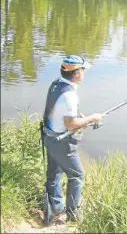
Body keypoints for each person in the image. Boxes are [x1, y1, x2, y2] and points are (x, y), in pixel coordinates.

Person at [41, 55, 103, 224]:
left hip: (49, 136)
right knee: (77, 175)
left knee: (54, 172)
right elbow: (70, 124)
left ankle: (54, 207)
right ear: (76, 74)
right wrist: (91, 118)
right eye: (83, 69)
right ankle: (73, 216)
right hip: (61, 143)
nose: (84, 72)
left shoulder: (56, 84)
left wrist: (79, 119)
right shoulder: (70, 96)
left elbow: (60, 113)